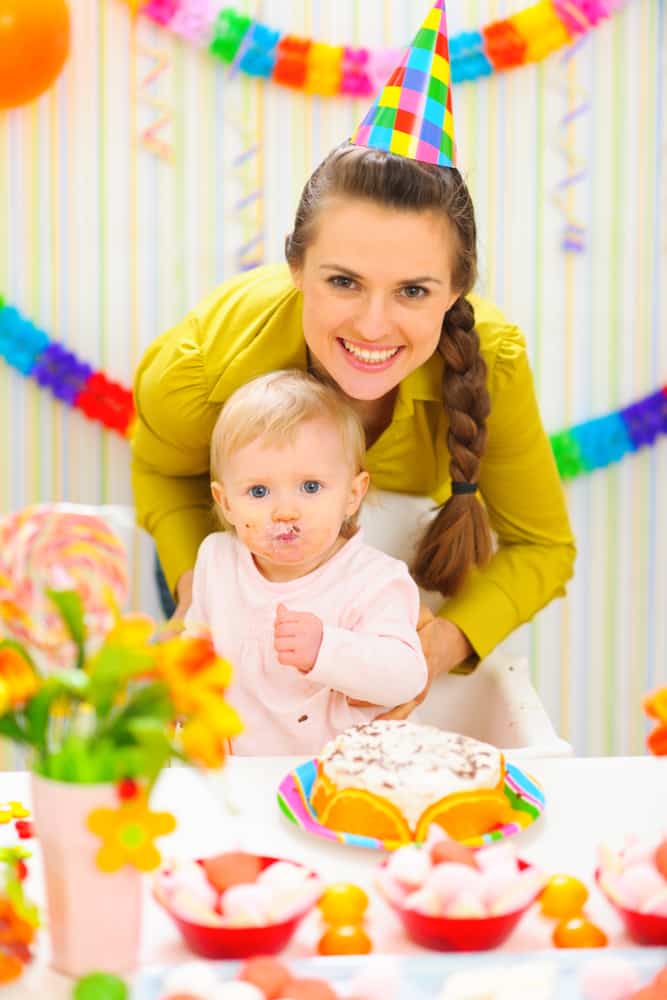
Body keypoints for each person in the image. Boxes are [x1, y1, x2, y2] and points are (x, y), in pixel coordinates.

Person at [131, 2, 576, 720]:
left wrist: (435, 647)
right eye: (342, 281)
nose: (373, 325)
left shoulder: (488, 361)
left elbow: (542, 546)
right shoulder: (210, 359)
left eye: (412, 291)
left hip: (384, 603)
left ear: (457, 288)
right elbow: (162, 467)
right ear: (295, 267)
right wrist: (193, 585)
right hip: (237, 575)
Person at [184, 369, 428, 754]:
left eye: (310, 487)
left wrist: (326, 649)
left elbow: (407, 677)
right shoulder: (217, 561)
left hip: (339, 776)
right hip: (239, 774)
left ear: (352, 494)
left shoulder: (375, 581)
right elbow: (199, 637)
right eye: (259, 491)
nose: (285, 511)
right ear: (226, 501)